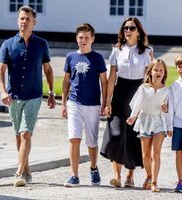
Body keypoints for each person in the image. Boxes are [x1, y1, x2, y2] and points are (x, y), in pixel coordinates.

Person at [0, 5, 56, 187]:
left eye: (27, 19)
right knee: (18, 135)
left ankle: (18, 173)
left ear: (34, 22)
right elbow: (0, 70)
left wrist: (52, 93)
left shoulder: (41, 44)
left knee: (25, 134)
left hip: (34, 96)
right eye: (21, 19)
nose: (24, 22)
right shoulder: (8, 44)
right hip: (13, 97)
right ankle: (28, 169)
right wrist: (2, 91)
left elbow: (48, 69)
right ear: (18, 21)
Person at [100, 17, 153, 188]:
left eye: (131, 28)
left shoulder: (147, 52)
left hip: (138, 94)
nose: (127, 31)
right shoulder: (117, 50)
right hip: (120, 93)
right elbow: (112, 77)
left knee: (133, 137)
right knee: (115, 134)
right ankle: (117, 175)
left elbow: (150, 79)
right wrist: (107, 101)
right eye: (125, 29)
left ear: (138, 32)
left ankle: (130, 175)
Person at [62, 23, 107, 187]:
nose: (83, 40)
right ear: (76, 38)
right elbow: (67, 80)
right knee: (74, 138)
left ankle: (93, 168)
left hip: (93, 104)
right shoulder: (70, 57)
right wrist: (64, 103)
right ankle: (74, 175)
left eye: (87, 37)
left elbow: (104, 81)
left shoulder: (98, 58)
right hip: (74, 102)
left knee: (92, 141)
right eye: (81, 37)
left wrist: (104, 103)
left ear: (92, 39)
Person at [126, 59, 169, 192]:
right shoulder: (144, 88)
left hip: (159, 122)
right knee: (146, 154)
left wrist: (166, 109)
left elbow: (170, 110)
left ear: (164, 73)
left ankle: (154, 182)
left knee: (156, 152)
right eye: (156, 69)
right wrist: (133, 117)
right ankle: (149, 176)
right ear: (150, 72)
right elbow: (137, 104)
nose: (158, 72)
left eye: (161, 70)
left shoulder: (167, 90)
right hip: (145, 120)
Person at [167, 55, 182, 193]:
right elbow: (170, 107)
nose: (181, 68)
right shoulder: (174, 86)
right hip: (178, 124)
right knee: (179, 153)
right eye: (179, 66)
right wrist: (169, 126)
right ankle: (181, 181)